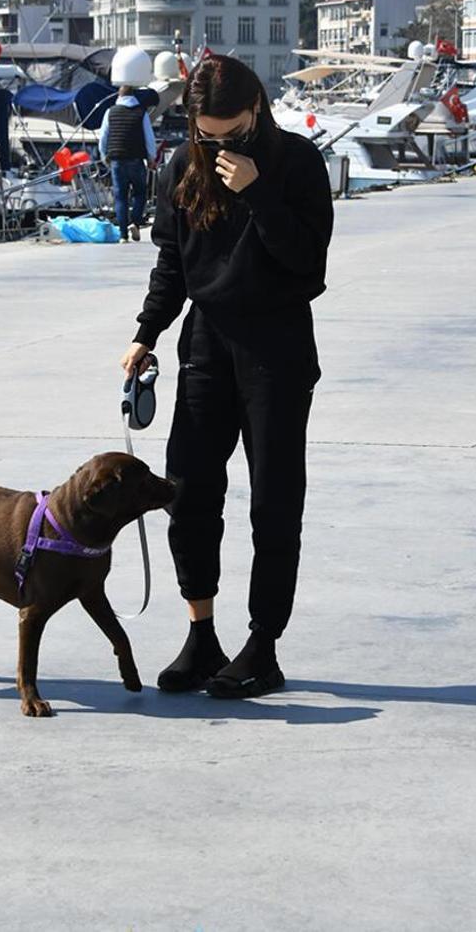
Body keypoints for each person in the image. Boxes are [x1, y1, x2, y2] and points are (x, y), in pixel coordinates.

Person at [120, 54, 333, 699]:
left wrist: (257, 190)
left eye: (231, 132)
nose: (218, 145)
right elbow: (172, 262)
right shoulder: (182, 166)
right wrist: (146, 333)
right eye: (206, 134)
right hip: (206, 344)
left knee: (274, 501)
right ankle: (202, 635)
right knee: (187, 491)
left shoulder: (297, 161)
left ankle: (263, 647)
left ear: (256, 108)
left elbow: (308, 265)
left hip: (277, 347)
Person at [99, 83, 157, 242]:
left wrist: (104, 156)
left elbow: (103, 137)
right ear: (133, 96)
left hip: (117, 159)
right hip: (136, 159)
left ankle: (123, 235)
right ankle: (135, 222)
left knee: (120, 197)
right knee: (140, 193)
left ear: (119, 96)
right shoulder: (141, 112)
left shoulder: (110, 112)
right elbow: (149, 137)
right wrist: (151, 158)